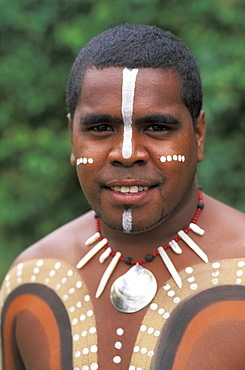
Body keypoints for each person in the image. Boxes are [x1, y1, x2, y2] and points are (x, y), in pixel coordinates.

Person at [1, 24, 245, 370]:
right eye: (100, 128)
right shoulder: (32, 281)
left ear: (199, 135)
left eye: (157, 127)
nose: (127, 153)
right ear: (72, 139)